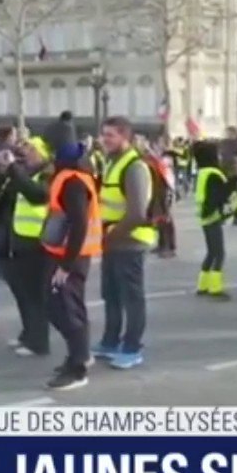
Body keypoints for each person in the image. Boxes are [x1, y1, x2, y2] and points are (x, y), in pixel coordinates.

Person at [40, 124, 101, 391]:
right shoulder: (70, 174)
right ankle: (79, 355)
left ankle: (78, 368)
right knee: (64, 307)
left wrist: (66, 264)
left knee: (66, 309)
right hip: (67, 253)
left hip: (72, 256)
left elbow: (79, 224)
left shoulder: (73, 180)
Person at [92, 116, 155, 370]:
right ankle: (110, 340)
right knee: (112, 295)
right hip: (112, 240)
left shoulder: (134, 167)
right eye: (103, 134)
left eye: (111, 135)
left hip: (130, 241)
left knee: (132, 297)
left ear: (125, 137)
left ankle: (132, 347)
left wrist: (111, 234)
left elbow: (138, 212)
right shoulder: (111, 162)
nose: (104, 140)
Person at [0, 135, 53, 358]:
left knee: (35, 295)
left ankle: (39, 341)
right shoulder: (25, 172)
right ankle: (28, 333)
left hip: (38, 242)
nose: (27, 153)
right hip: (19, 238)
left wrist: (14, 169)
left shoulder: (49, 173)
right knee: (22, 292)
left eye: (32, 149)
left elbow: (37, 195)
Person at [192, 139, 235, 300]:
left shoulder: (203, 172)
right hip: (212, 216)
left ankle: (202, 284)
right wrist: (232, 183)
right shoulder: (213, 174)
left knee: (211, 252)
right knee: (219, 253)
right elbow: (218, 195)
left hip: (204, 217)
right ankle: (215, 287)